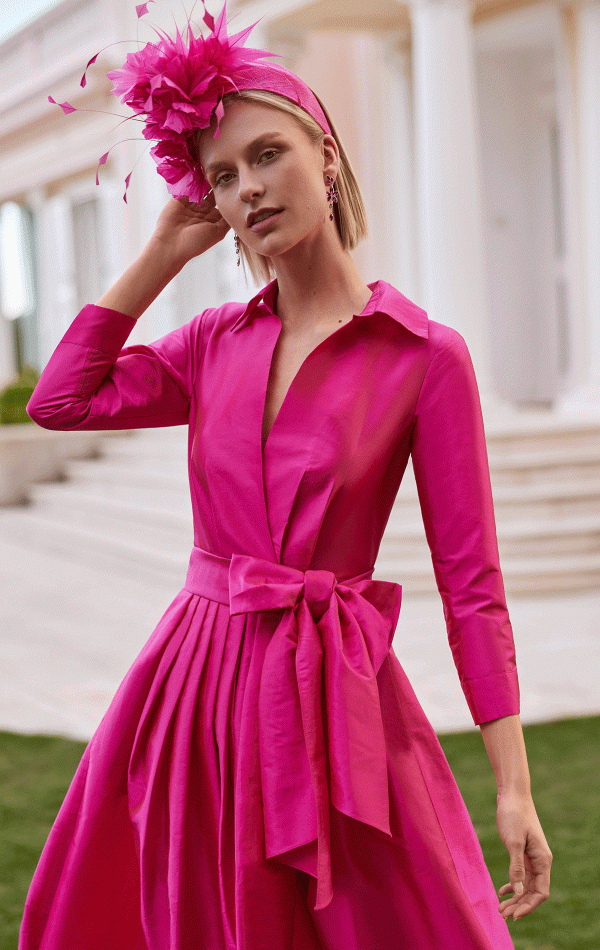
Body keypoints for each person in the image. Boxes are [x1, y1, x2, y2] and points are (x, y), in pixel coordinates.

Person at [20, 2, 552, 948]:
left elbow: (473, 587)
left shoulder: (425, 356)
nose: (249, 191)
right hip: (191, 684)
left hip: (332, 691)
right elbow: (60, 401)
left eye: (267, 156)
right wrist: (159, 253)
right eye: (222, 177)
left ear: (328, 156)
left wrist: (513, 785)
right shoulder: (209, 345)